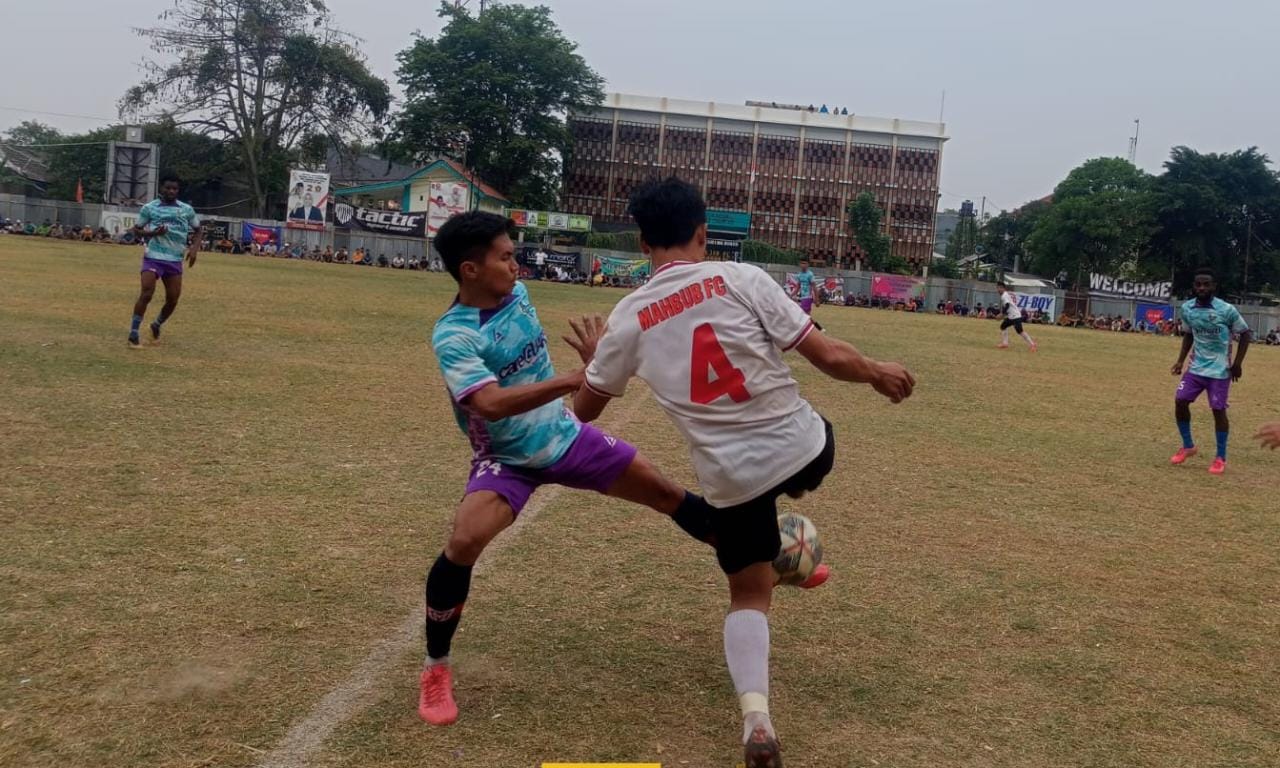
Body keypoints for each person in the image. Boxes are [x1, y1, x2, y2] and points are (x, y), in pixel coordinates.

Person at [571, 178, 915, 768]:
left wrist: (596, 365)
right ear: (703, 233)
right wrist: (878, 371)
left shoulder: (628, 317)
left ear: (642, 240)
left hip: (731, 481)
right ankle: (787, 543)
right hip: (804, 448)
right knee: (807, 455)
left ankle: (757, 717)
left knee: (748, 593)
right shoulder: (741, 278)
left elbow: (586, 410)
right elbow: (828, 356)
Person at [419, 211, 763, 728]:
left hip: (564, 435)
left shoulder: (519, 296)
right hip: (506, 459)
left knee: (668, 493)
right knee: (465, 542)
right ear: (470, 270)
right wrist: (578, 377)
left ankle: (766, 559)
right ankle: (436, 668)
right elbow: (487, 404)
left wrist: (587, 365)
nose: (518, 263)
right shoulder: (454, 335)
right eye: (506, 256)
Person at [1170, 268, 1251, 474]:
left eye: (1207, 284)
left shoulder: (1226, 310)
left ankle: (1220, 457)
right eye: (1198, 284)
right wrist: (1180, 361)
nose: (1202, 288)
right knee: (1180, 401)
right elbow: (1189, 334)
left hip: (1220, 371)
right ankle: (1188, 446)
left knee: (1218, 411)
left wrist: (1238, 364)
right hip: (1196, 368)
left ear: (1214, 286)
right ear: (1194, 287)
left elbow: (1245, 333)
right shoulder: (1187, 308)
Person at [127, 174, 201, 348]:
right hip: (153, 257)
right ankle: (133, 333)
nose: (171, 191)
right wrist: (153, 234)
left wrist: (194, 248)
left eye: (174, 188)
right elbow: (136, 230)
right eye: (168, 188)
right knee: (146, 292)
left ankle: (157, 324)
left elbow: (198, 230)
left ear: (178, 190)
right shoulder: (149, 208)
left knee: (173, 299)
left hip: (174, 260)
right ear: (161, 188)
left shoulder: (186, 209)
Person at [995, 282, 1037, 351]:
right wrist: (1003, 314)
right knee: (1003, 326)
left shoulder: (1004, 295)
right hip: (1011, 316)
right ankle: (1005, 343)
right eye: (997, 288)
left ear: (1003, 288)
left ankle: (1032, 344)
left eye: (999, 288)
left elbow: (1007, 305)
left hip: (1015, 316)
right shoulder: (1004, 295)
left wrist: (1001, 314)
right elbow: (1007, 306)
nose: (998, 290)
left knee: (1020, 331)